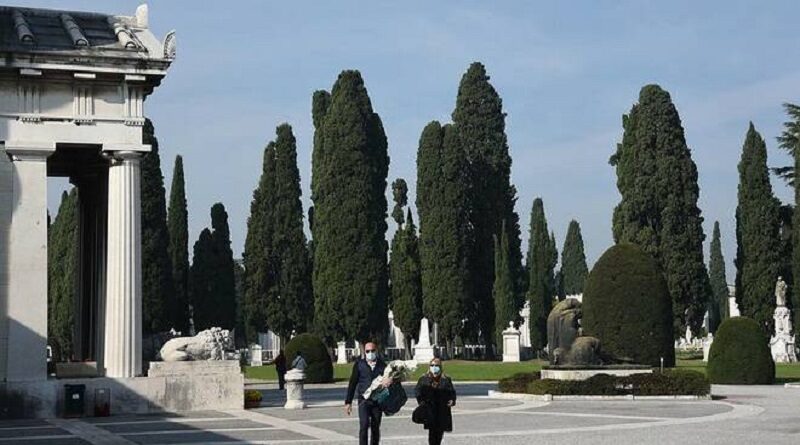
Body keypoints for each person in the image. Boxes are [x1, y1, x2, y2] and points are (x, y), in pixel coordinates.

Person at [345, 342, 391, 445]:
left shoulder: (382, 365)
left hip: (377, 401)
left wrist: (388, 382)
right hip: (363, 400)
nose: (370, 353)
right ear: (365, 352)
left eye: (372, 351)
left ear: (376, 351)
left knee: (375, 427)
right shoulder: (359, 364)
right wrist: (348, 402)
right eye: (368, 351)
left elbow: (389, 383)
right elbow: (352, 383)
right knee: (364, 425)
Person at [415, 358, 456, 445]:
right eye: (432, 365)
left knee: (439, 434)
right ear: (429, 367)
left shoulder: (446, 379)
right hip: (430, 410)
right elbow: (418, 391)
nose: (434, 367)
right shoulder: (424, 379)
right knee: (432, 434)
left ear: (440, 367)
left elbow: (452, 392)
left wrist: (452, 400)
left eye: (436, 365)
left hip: (442, 410)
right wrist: (421, 401)